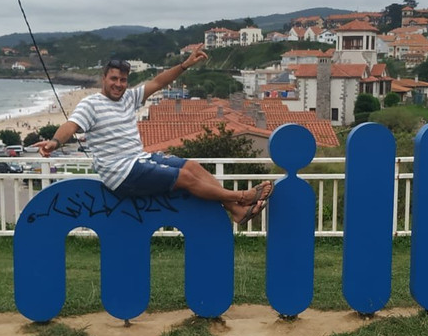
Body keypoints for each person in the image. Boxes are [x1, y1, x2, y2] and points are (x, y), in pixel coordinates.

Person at [35, 48, 272, 223]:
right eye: (114, 79)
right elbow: (71, 125)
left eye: (123, 80)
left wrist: (185, 64)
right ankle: (242, 196)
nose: (119, 84)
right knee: (185, 179)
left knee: (192, 167)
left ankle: (237, 210)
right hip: (121, 173)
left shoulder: (128, 98)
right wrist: (55, 142)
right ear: (104, 79)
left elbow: (158, 82)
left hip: (140, 159)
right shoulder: (91, 104)